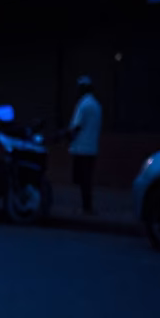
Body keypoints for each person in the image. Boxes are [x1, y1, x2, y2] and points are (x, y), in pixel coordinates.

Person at [67, 75, 102, 215]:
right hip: (92, 147)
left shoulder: (83, 104)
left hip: (81, 147)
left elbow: (76, 126)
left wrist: (65, 136)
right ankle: (87, 206)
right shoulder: (96, 105)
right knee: (87, 179)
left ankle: (86, 208)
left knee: (83, 180)